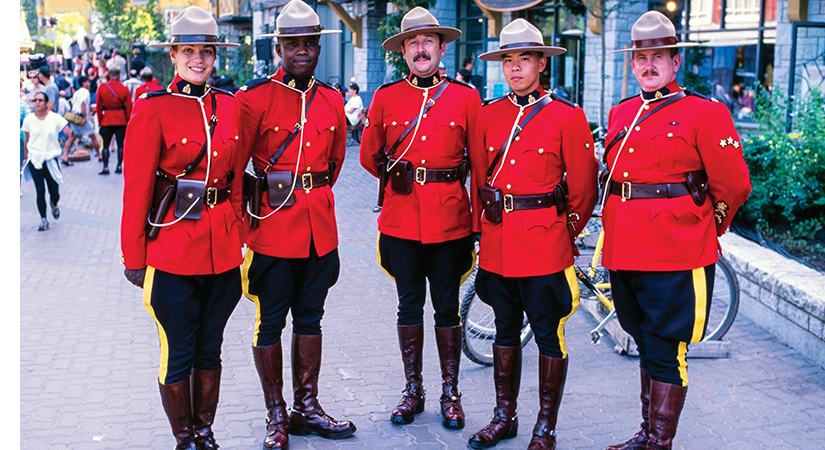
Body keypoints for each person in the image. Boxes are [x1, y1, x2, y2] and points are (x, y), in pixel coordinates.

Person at [603, 11, 751, 450]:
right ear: (632, 64)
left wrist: (707, 225)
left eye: (658, 56)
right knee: (645, 343)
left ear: (675, 61)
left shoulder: (705, 112)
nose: (648, 65)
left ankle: (659, 443)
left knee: (668, 349)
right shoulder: (620, 113)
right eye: (640, 57)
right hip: (625, 250)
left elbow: (734, 184)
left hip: (676, 251)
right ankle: (647, 434)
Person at [465, 19, 598, 450]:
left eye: (524, 59)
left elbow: (582, 190)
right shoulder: (488, 115)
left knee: (547, 332)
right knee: (505, 330)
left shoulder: (567, 116)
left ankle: (546, 427)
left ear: (542, 62)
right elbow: (480, 182)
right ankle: (505, 416)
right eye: (508, 60)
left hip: (545, 243)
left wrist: (564, 232)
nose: (515, 68)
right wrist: (480, 232)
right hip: (499, 243)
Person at [120, 7, 244, 450]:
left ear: (215, 56)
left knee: (211, 348)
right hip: (172, 250)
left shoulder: (229, 106)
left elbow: (234, 181)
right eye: (189, 50)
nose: (198, 59)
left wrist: (239, 232)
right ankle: (184, 438)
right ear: (173, 55)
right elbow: (135, 190)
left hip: (223, 252)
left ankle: (205, 431)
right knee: (179, 351)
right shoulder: (153, 109)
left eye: (206, 51)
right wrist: (134, 258)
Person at [236, 1, 354, 448]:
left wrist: (309, 194)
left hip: (319, 228)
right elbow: (236, 168)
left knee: (311, 318)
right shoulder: (254, 98)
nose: (302, 51)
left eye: (309, 43)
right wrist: (247, 230)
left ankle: (307, 407)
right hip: (272, 227)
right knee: (270, 322)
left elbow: (335, 163)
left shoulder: (331, 98)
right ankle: (276, 415)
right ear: (279, 47)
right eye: (293, 44)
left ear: (318, 47)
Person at [359, 6, 483, 431]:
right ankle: (414, 389)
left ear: (442, 47)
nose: (421, 48)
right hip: (401, 220)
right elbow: (368, 155)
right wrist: (396, 173)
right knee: (408, 305)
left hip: (450, 219)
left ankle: (451, 392)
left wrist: (479, 224)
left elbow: (480, 166)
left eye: (428, 41)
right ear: (404, 52)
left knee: (447, 308)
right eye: (413, 42)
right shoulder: (386, 97)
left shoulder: (466, 97)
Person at [21, 92, 71, 231]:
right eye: (35, 100)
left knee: (54, 190)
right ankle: (43, 219)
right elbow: (26, 140)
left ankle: (54, 204)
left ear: (47, 103)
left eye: (40, 100)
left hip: (51, 158)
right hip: (35, 158)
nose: (37, 102)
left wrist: (68, 145)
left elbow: (68, 132)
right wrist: (25, 158)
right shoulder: (28, 120)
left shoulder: (55, 118)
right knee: (40, 190)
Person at [96, 68, 132, 175]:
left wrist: (100, 120)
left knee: (105, 145)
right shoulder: (124, 89)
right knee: (120, 144)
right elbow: (129, 107)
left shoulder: (102, 88)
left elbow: (98, 107)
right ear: (118, 75)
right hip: (121, 119)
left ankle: (106, 167)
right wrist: (128, 120)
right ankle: (119, 166)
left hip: (107, 119)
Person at [62, 75, 101, 165]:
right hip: (81, 117)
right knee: (93, 137)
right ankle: (99, 155)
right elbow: (82, 103)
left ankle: (65, 156)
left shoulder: (77, 92)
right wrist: (84, 117)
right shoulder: (85, 92)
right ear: (84, 83)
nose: (89, 83)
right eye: (88, 81)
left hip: (75, 117)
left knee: (72, 137)